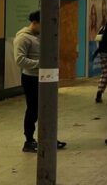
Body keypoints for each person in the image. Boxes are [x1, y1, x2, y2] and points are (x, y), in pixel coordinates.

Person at [14, 11, 67, 153]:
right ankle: (29, 140)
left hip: (47, 77)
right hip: (31, 78)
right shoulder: (23, 38)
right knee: (33, 109)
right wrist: (41, 63)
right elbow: (20, 60)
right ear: (35, 22)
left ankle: (48, 137)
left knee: (48, 108)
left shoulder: (42, 36)